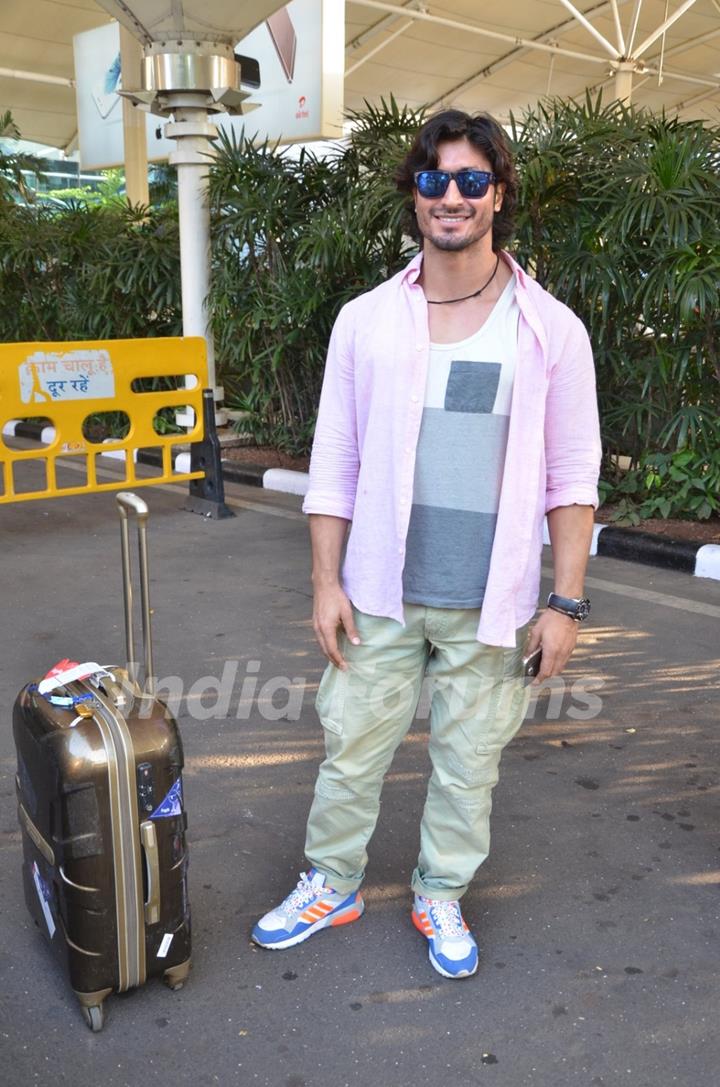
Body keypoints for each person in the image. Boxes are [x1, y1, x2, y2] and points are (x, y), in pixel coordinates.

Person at [251, 109, 601, 979]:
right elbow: (334, 460)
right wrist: (325, 582)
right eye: (436, 179)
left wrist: (565, 601)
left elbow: (572, 476)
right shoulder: (366, 320)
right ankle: (330, 881)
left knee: (467, 765)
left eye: (473, 181)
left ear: (499, 195)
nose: (453, 196)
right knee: (350, 747)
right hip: (379, 589)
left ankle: (438, 890)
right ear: (414, 196)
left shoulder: (549, 328)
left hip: (494, 596)